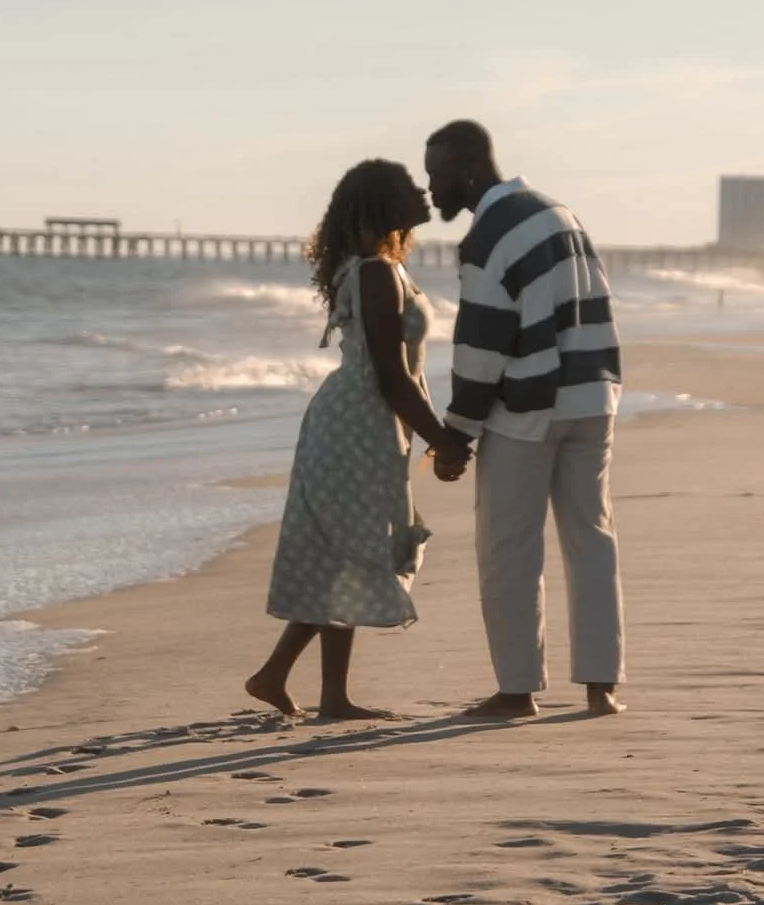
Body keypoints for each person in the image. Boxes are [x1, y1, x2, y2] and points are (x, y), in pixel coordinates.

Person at [246, 159, 470, 719]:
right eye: (407, 186)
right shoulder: (373, 272)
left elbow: (401, 375)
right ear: (382, 203)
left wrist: (428, 432)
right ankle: (301, 685)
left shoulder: (384, 268)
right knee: (351, 549)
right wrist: (440, 438)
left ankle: (306, 687)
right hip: (357, 424)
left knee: (346, 551)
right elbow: (391, 374)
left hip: (366, 422)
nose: (422, 190)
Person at [424, 120, 624, 721]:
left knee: (509, 549)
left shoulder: (489, 235)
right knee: (591, 542)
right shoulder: (560, 213)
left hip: (528, 409)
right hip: (592, 399)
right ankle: (601, 686)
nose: (430, 189)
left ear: (464, 170)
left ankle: (517, 691)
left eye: (436, 175)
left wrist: (456, 433)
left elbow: (484, 344)